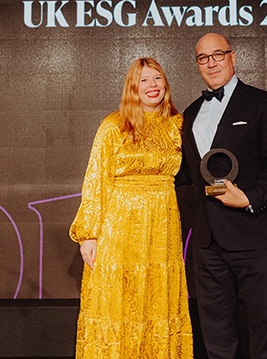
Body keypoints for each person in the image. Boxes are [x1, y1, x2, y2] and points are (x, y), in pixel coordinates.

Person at [179, 33, 267, 359]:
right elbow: (185, 173)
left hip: (253, 234)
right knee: (216, 334)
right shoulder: (190, 113)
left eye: (218, 54)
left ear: (233, 57)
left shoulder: (263, 103)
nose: (211, 63)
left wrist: (249, 198)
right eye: (203, 58)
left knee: (265, 329)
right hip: (206, 242)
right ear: (197, 64)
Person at [69, 57, 193, 358]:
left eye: (157, 78)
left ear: (166, 83)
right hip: (120, 228)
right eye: (143, 80)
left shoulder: (178, 126)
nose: (152, 85)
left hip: (162, 227)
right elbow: (96, 178)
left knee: (157, 298)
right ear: (132, 88)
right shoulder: (114, 125)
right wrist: (88, 234)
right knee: (119, 299)